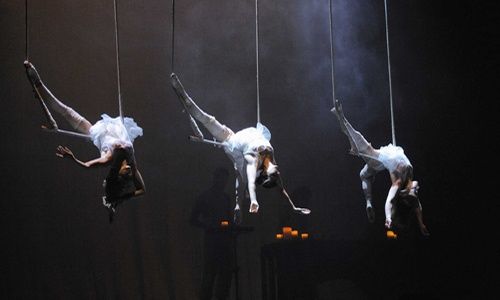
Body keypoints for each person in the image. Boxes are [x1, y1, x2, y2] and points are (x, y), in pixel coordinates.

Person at [170, 73, 310, 223]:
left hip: (231, 142)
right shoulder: (272, 163)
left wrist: (240, 205)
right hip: (237, 136)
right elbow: (281, 191)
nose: (277, 169)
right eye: (275, 170)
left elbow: (242, 181)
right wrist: (293, 206)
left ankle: (181, 93)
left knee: (205, 118)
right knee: (208, 120)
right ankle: (182, 92)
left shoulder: (252, 163)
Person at [24, 61, 146, 221]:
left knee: (66, 111)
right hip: (116, 128)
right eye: (130, 174)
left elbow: (88, 166)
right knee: (66, 111)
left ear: (118, 174)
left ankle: (38, 83)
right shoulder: (132, 164)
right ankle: (38, 85)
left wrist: (72, 158)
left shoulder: (108, 159)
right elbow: (142, 190)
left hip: (98, 133)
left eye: (126, 173)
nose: (129, 170)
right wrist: (120, 199)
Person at [331, 99, 429, 236]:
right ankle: (369, 201)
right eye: (417, 191)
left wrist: (388, 217)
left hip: (377, 160)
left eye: (415, 191)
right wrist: (421, 224)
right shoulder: (410, 183)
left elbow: (389, 200)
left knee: (354, 137)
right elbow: (418, 207)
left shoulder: (398, 184)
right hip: (380, 163)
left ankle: (340, 115)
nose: (417, 189)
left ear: (405, 194)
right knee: (363, 174)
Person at [190, 168, 234, 300]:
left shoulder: (226, 198)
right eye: (220, 178)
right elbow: (193, 219)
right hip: (212, 242)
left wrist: (230, 228)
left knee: (225, 277)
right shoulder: (204, 197)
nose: (223, 182)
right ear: (214, 178)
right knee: (209, 276)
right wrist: (208, 226)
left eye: (225, 179)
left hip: (225, 243)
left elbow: (229, 219)